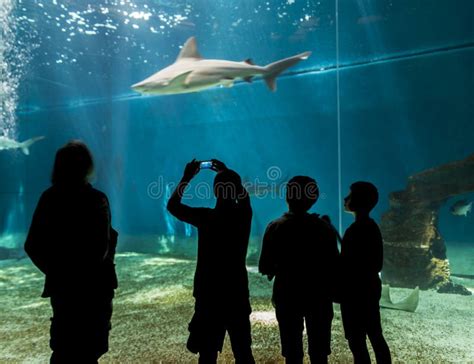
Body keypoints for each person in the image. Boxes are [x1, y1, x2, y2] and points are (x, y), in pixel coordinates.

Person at [24, 140, 118, 363]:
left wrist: (56, 272)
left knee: (64, 349)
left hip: (63, 290)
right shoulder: (96, 200)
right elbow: (100, 250)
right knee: (89, 351)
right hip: (93, 290)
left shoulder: (49, 198)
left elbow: (31, 245)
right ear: (87, 166)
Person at [167, 159, 255, 364]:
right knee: (243, 352)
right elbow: (244, 199)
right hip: (236, 291)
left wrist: (187, 177)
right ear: (237, 191)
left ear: (215, 191)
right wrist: (227, 173)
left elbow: (172, 206)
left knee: (207, 354)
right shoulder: (243, 216)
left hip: (209, 294)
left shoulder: (206, 218)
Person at [259, 176, 339, 364]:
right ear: (314, 198)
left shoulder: (275, 227)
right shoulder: (324, 228)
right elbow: (334, 263)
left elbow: (265, 266)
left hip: (287, 295)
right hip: (319, 296)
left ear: (287, 197)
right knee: (319, 353)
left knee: (292, 352)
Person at [340, 181, 391, 364]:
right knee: (376, 336)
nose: (345, 199)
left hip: (354, 293)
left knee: (356, 340)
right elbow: (375, 263)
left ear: (358, 201)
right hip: (369, 289)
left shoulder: (355, 230)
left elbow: (345, 263)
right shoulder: (372, 227)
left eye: (349, 196)